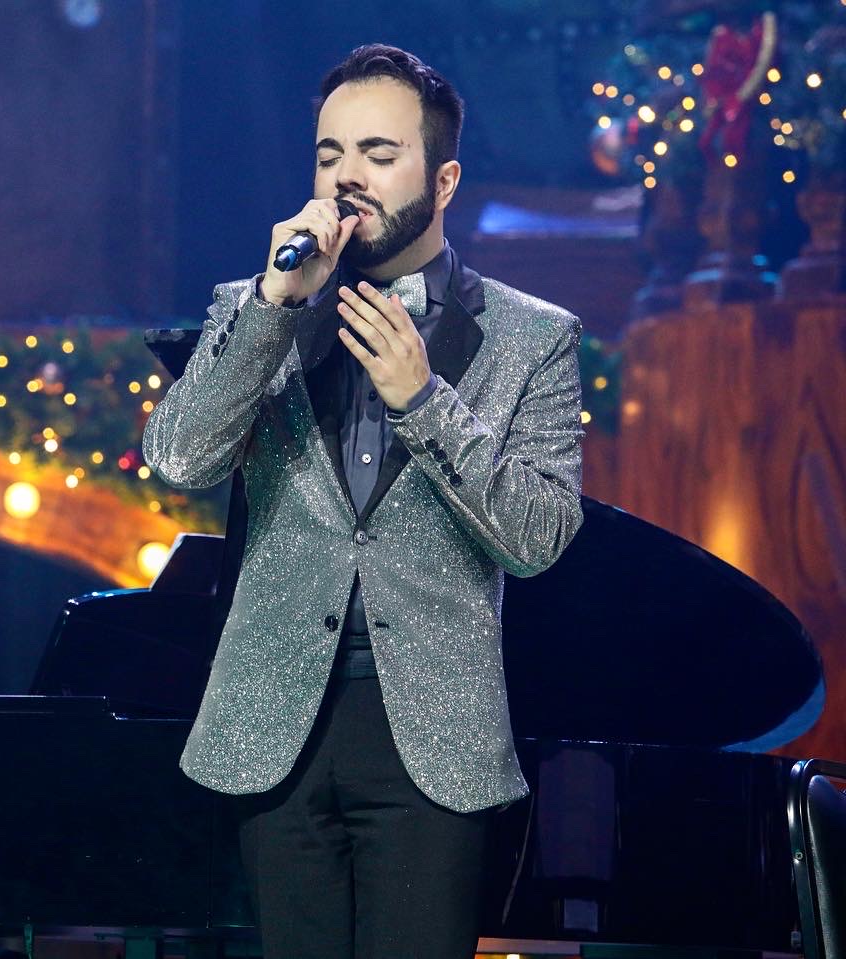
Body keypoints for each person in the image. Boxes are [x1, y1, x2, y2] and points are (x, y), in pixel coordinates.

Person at [143, 44, 584, 959]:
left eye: (379, 155)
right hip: (276, 724)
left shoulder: (531, 336)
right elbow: (180, 456)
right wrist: (274, 306)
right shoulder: (258, 304)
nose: (348, 177)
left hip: (432, 737)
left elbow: (539, 538)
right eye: (328, 154)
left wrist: (425, 403)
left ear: (443, 178)